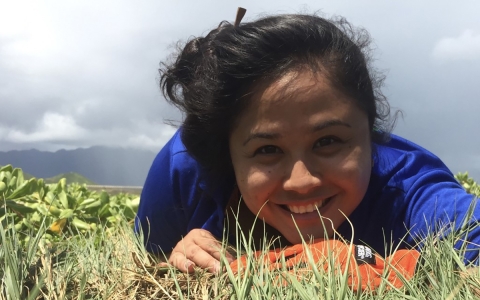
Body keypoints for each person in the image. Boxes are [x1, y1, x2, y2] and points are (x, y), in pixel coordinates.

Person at [136, 12, 479, 274]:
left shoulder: (409, 188)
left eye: (327, 141)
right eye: (267, 150)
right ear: (227, 150)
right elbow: (146, 271)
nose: (301, 182)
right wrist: (180, 260)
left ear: (371, 133)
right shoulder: (185, 169)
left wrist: (359, 261)